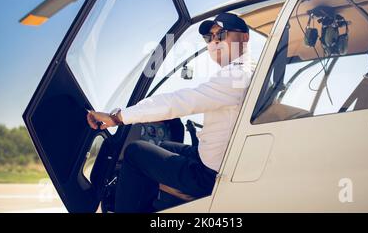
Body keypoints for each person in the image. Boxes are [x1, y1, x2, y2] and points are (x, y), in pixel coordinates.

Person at [87, 12, 255, 212]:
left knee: (135, 153)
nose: (214, 41)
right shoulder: (246, 70)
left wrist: (117, 117)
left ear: (244, 37)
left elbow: (177, 102)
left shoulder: (237, 76)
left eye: (222, 34)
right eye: (209, 37)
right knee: (164, 145)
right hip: (214, 159)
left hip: (211, 174)